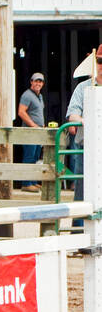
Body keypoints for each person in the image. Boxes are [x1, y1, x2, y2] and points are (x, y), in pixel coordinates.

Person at [64, 44, 100, 204]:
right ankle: (78, 228)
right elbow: (72, 115)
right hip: (86, 147)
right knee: (82, 192)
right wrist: (86, 121)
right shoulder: (82, 88)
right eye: (99, 61)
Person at [16, 72, 47, 192]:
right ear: (31, 82)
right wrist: (34, 125)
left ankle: (33, 181)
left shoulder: (40, 96)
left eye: (40, 81)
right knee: (29, 156)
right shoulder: (27, 95)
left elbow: (38, 113)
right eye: (36, 81)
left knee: (35, 156)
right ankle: (26, 183)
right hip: (30, 131)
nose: (38, 83)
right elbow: (21, 112)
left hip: (38, 131)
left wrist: (42, 126)